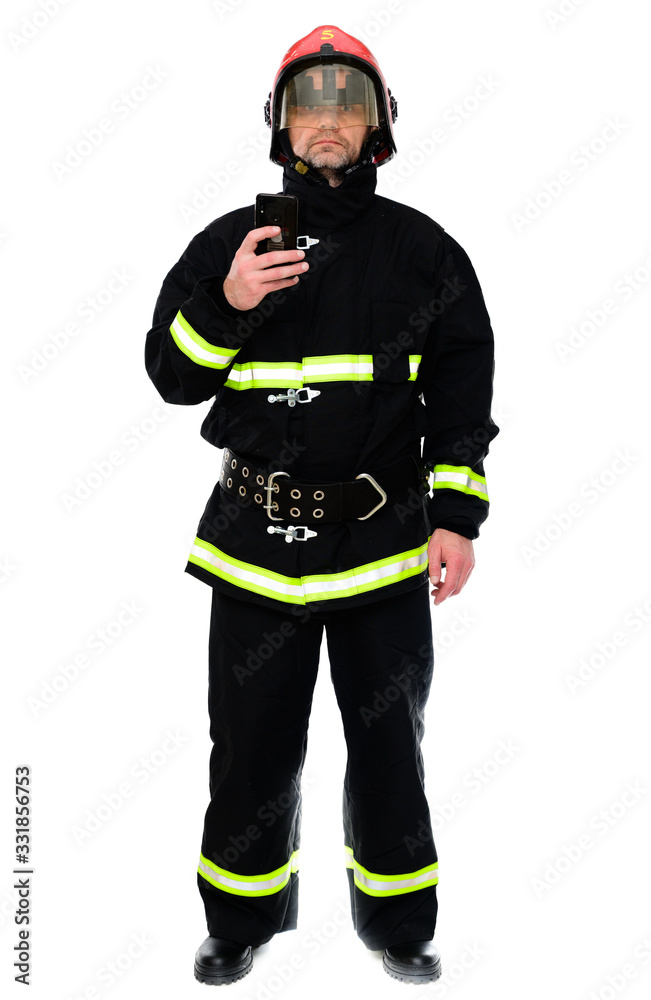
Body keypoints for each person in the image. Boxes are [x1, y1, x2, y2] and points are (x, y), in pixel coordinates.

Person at [144, 24, 498, 986]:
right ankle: (239, 921)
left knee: (389, 746)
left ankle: (399, 924)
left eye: (349, 103)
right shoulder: (228, 245)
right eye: (311, 103)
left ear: (379, 124)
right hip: (253, 548)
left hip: (382, 547)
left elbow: (460, 395)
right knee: (249, 749)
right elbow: (171, 377)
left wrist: (456, 518)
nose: (329, 121)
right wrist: (226, 302)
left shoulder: (424, 252)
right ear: (280, 122)